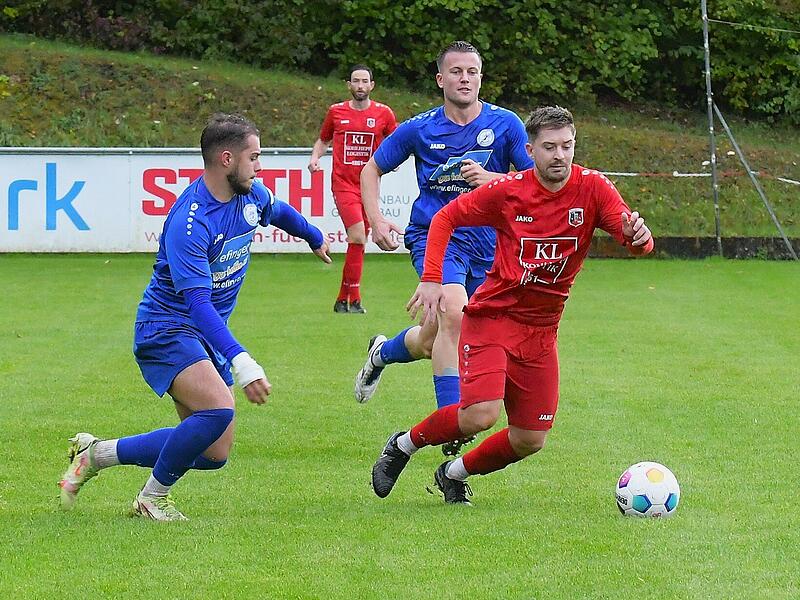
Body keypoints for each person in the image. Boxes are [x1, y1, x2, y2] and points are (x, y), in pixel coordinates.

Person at [370, 105, 654, 505]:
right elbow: (445, 218)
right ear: (529, 149)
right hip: (494, 319)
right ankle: (403, 445)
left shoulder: (592, 188)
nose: (560, 155)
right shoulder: (509, 191)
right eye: (550, 147)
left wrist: (637, 236)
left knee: (529, 439)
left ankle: (453, 473)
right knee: (480, 415)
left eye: (567, 146)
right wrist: (432, 277)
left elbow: (637, 239)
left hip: (541, 331)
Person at [58, 113, 331, 521]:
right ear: (226, 159)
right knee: (219, 409)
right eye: (254, 157)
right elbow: (198, 306)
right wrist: (243, 361)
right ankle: (152, 498)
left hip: (202, 333)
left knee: (212, 452)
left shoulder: (250, 195)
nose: (260, 167)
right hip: (167, 328)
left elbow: (280, 212)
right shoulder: (191, 222)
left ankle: (97, 454)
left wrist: (312, 235)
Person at [354, 41, 534, 457]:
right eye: (456, 71)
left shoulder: (506, 125)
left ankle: (382, 353)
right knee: (454, 312)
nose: (464, 78)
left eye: (472, 71)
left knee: (433, 338)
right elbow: (371, 169)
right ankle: (451, 424)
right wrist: (377, 220)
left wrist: (492, 178)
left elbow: (532, 184)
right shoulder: (420, 128)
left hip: (489, 244)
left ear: (480, 78)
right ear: (440, 79)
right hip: (436, 238)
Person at [309, 64, 397, 314]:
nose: (360, 86)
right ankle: (354, 298)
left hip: (369, 186)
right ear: (349, 85)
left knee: (359, 240)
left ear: (372, 85)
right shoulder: (336, 112)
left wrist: (395, 161)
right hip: (343, 184)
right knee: (358, 234)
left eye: (364, 81)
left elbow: (396, 140)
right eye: (355, 81)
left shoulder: (384, 113)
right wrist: (315, 158)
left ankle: (344, 300)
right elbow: (324, 139)